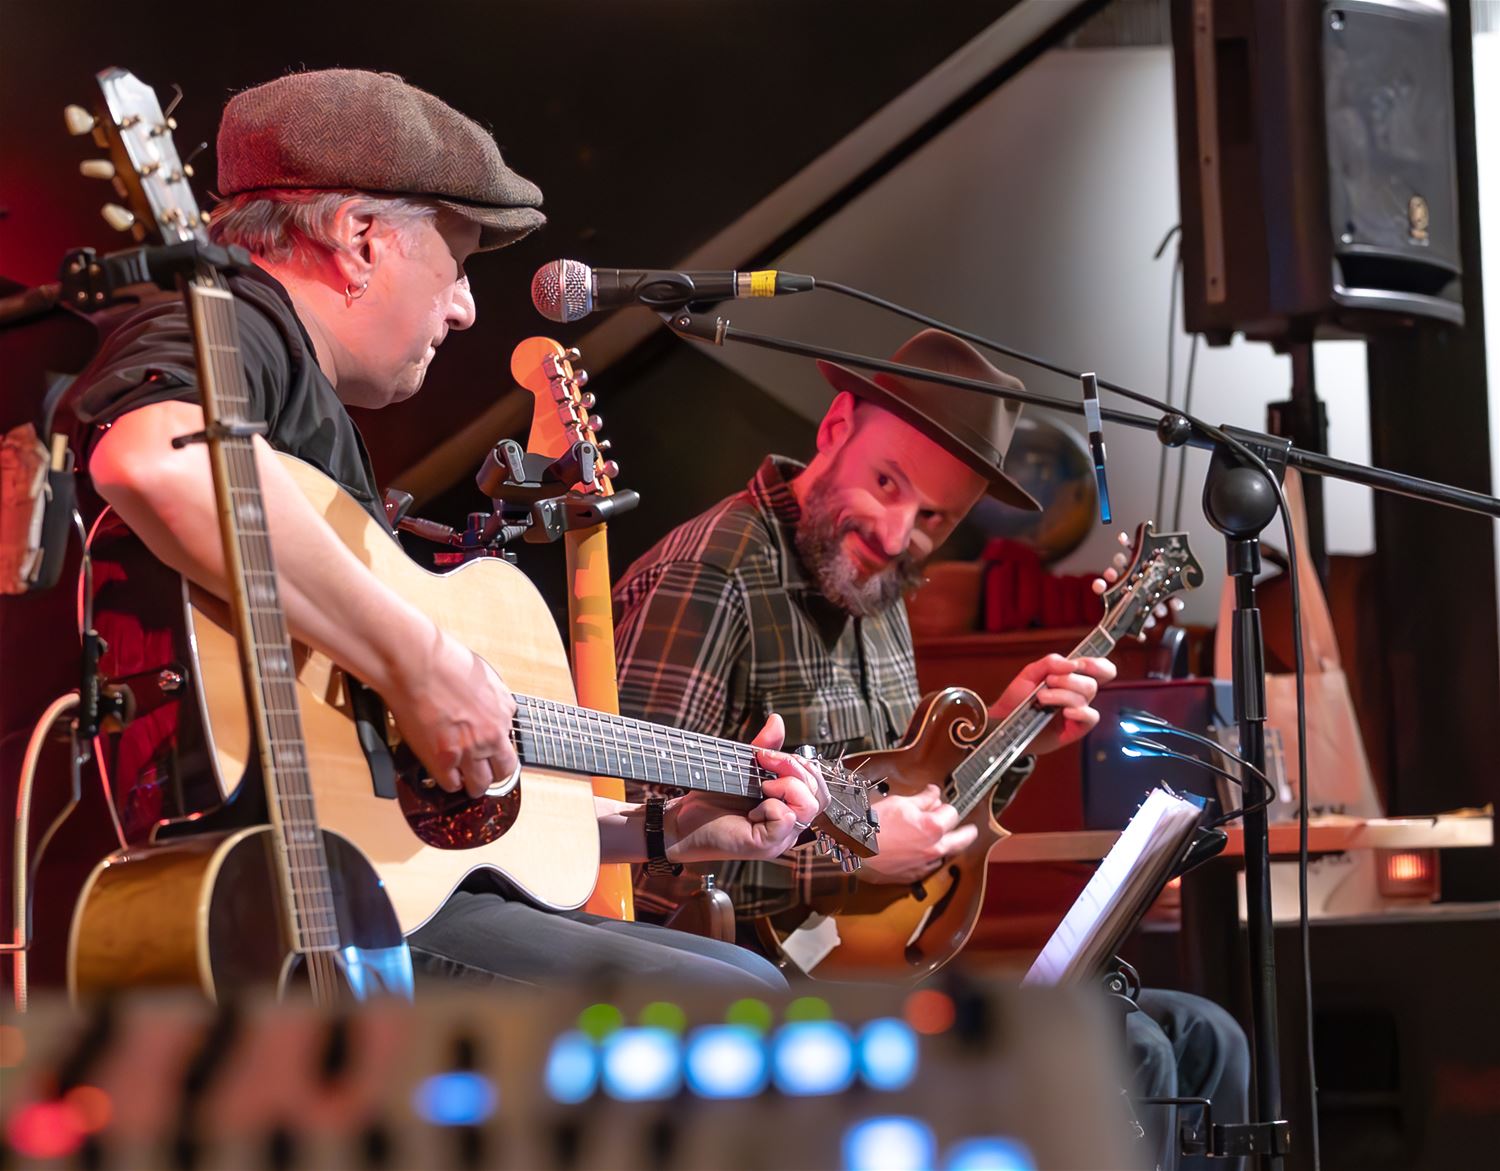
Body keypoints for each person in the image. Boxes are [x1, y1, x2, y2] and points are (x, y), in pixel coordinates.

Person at [73, 67, 825, 993]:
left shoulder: (310, 417)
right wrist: (420, 663)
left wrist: (665, 830)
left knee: (740, 974)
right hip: (277, 906)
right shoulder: (237, 324)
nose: (466, 307)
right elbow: (155, 457)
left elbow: (401, 814)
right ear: (360, 239)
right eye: (458, 263)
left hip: (373, 889)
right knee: (741, 998)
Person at [613, 328, 1249, 1168]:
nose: (896, 532)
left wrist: (1012, 736)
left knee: (1206, 1036)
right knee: (1130, 1053)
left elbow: (902, 802)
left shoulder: (874, 580)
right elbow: (623, 854)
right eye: (887, 482)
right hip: (753, 1006)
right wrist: (848, 853)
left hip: (873, 981)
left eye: (934, 518)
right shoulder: (714, 575)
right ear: (836, 426)